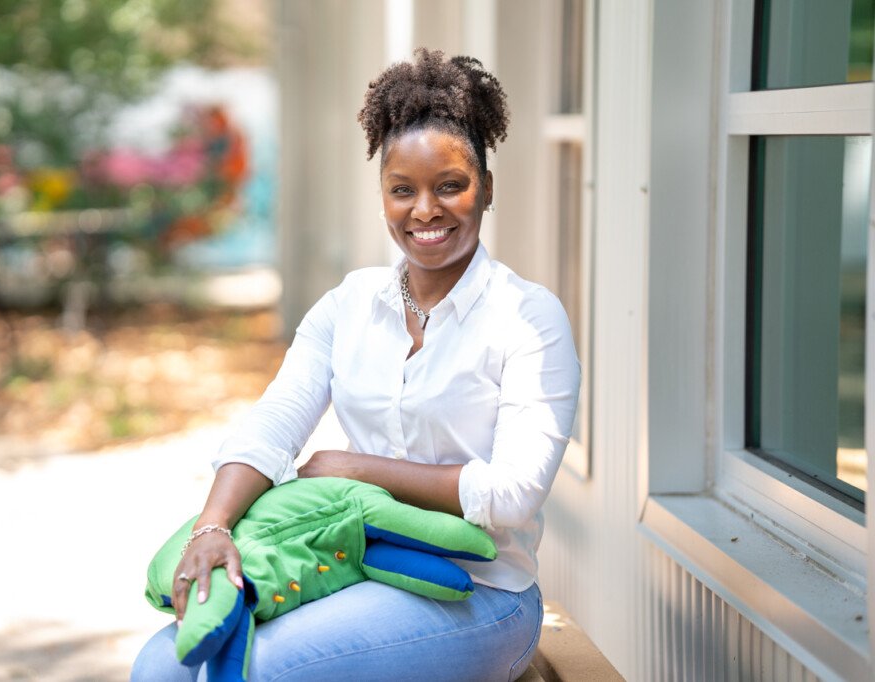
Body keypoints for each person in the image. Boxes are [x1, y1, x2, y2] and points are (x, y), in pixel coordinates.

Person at [131, 48, 580, 682]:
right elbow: (273, 424)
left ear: (486, 188)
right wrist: (213, 528)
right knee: (163, 665)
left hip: (484, 596)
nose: (425, 210)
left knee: (262, 670)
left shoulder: (528, 319)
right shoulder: (349, 305)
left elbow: (511, 494)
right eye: (404, 190)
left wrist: (353, 467)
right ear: (383, 197)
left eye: (450, 185)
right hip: (355, 564)